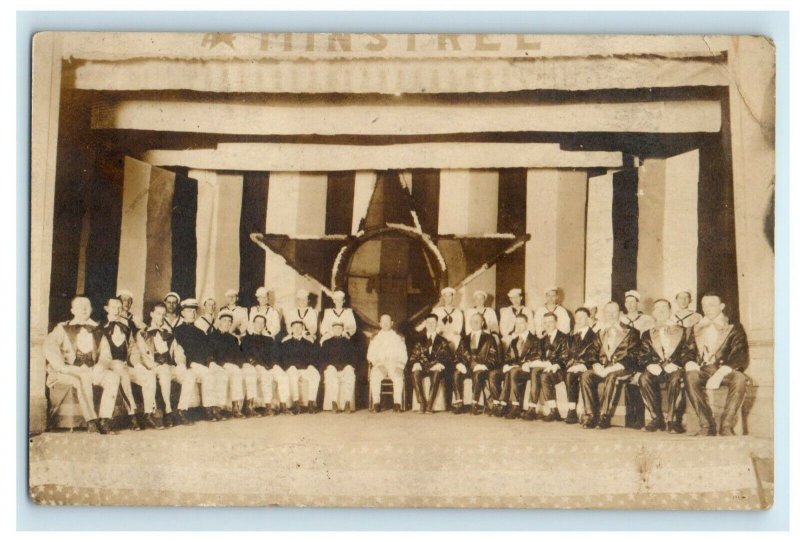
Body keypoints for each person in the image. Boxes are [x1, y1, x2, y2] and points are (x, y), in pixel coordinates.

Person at [43, 296, 120, 434]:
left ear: (91, 309)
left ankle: (104, 419)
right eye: (79, 306)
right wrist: (61, 366)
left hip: (93, 368)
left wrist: (101, 366)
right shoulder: (63, 328)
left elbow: (106, 353)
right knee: (83, 378)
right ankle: (91, 420)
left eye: (86, 306)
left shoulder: (97, 329)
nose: (83, 309)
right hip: (71, 368)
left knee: (113, 377)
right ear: (72, 310)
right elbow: (49, 347)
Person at [685, 292, 749, 436]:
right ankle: (706, 425)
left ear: (722, 306)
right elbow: (687, 351)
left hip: (723, 370)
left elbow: (740, 354)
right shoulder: (695, 327)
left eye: (711, 305)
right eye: (703, 305)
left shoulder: (734, 327)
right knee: (690, 376)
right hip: (703, 369)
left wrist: (720, 373)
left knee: (739, 378)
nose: (707, 309)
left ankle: (726, 425)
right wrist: (689, 362)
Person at [99, 297, 157, 431]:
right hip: (108, 366)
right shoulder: (100, 327)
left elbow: (132, 349)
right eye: (113, 307)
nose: (117, 310)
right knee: (121, 371)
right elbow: (99, 353)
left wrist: (137, 364)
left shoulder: (126, 328)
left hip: (125, 365)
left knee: (148, 375)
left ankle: (148, 414)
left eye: (119, 307)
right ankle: (133, 416)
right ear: (106, 308)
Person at [638, 299, 696, 433]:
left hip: (675, 367)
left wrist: (677, 363)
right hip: (657, 369)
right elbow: (642, 355)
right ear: (653, 313)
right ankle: (656, 418)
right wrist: (650, 364)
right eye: (657, 309)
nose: (661, 311)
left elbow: (689, 352)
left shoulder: (683, 330)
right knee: (643, 378)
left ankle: (673, 420)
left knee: (676, 378)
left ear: (670, 311)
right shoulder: (647, 333)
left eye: (664, 308)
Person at [580, 301, 640, 429]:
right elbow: (591, 353)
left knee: (611, 375)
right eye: (608, 312)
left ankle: (604, 415)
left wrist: (611, 368)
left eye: (614, 312)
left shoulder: (631, 332)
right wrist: (596, 365)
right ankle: (590, 415)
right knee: (586, 375)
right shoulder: (600, 332)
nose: (611, 315)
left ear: (620, 313)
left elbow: (633, 356)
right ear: (604, 314)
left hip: (622, 368)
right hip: (603, 368)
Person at [136, 302, 195, 428]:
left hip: (169, 366)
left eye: (163, 315)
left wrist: (180, 363)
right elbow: (142, 355)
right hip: (154, 368)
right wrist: (153, 365)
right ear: (151, 314)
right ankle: (168, 412)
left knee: (189, 375)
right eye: (158, 314)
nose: (161, 317)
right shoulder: (143, 333)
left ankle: (181, 410)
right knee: (164, 372)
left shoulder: (168, 333)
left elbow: (178, 351)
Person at [173, 298, 227, 422]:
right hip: (188, 364)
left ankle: (216, 408)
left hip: (201, 364)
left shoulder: (200, 332)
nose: (192, 314)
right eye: (189, 311)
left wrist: (210, 361)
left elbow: (207, 349)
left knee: (219, 372)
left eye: (194, 311)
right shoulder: (177, 331)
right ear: (182, 313)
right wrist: (189, 363)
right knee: (207, 374)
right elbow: (178, 351)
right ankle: (190, 410)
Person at [240, 314, 289, 414]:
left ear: (264, 325)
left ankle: (283, 406)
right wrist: (256, 364)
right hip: (256, 365)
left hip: (269, 365)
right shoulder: (246, 339)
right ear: (253, 324)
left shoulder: (269, 340)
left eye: (262, 323)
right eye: (257, 322)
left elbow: (275, 355)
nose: (259, 325)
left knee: (283, 376)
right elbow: (245, 355)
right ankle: (267, 406)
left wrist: (275, 364)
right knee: (266, 376)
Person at [453, 312, 500, 415]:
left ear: (482, 323)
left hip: (482, 369)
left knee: (478, 374)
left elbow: (494, 357)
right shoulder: (464, 338)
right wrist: (459, 364)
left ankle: (474, 403)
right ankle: (459, 403)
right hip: (467, 368)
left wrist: (484, 366)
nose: (475, 323)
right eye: (472, 321)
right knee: (456, 373)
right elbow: (457, 355)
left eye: (477, 321)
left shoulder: (489, 338)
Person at [525, 312, 569, 421]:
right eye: (545, 323)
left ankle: (552, 410)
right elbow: (537, 355)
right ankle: (533, 408)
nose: (548, 325)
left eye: (550, 322)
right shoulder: (542, 339)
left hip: (560, 370)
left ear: (556, 322)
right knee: (535, 371)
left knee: (544, 375)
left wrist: (554, 364)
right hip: (546, 369)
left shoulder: (564, 337)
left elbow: (565, 357)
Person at [209, 310, 253, 417]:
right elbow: (210, 353)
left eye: (230, 321)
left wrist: (243, 364)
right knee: (236, 371)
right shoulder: (211, 336)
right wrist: (220, 363)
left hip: (232, 365)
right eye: (225, 321)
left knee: (249, 370)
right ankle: (227, 407)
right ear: (219, 322)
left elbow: (239, 354)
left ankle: (246, 405)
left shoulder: (232, 338)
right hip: (219, 364)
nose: (227, 323)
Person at [496, 313, 538, 419]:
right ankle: (506, 404)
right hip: (516, 370)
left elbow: (535, 356)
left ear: (527, 324)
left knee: (513, 371)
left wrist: (518, 365)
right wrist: (508, 364)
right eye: (516, 324)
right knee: (509, 371)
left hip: (529, 370)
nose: (518, 326)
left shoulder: (534, 339)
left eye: (521, 323)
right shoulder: (514, 341)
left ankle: (514, 406)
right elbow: (508, 357)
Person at [409, 313, 452, 414]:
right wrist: (416, 362)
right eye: (429, 323)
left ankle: (429, 405)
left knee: (437, 374)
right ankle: (422, 403)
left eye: (433, 322)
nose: (431, 325)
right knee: (415, 373)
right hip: (423, 367)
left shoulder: (442, 341)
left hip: (435, 367)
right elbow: (413, 355)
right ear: (425, 324)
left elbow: (447, 357)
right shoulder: (418, 339)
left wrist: (439, 364)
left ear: (437, 324)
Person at [563, 307, 598, 424]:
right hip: (574, 365)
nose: (579, 320)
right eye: (577, 317)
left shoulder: (594, 335)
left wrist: (582, 365)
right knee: (569, 374)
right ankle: (572, 410)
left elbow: (594, 354)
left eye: (582, 317)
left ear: (588, 318)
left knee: (572, 374)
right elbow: (568, 354)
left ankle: (581, 412)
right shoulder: (572, 336)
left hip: (588, 365)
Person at [278, 320, 321, 414]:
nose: (297, 329)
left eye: (299, 327)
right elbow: (283, 359)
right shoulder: (285, 343)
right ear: (291, 329)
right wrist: (290, 366)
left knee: (315, 374)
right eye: (295, 327)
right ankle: (296, 404)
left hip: (305, 368)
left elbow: (313, 358)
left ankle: (310, 404)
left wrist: (310, 366)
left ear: (303, 329)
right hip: (292, 368)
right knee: (292, 374)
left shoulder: (308, 343)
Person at [367, 314, 408, 412]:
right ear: (380, 324)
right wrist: (379, 365)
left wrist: (400, 366)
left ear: (392, 323)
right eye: (383, 321)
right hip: (379, 365)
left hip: (394, 364)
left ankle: (397, 403)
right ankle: (376, 403)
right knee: (375, 376)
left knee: (398, 377)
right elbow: (370, 354)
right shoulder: (375, 338)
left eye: (388, 321)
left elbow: (403, 353)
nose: (385, 323)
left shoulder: (398, 338)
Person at [320, 321, 359, 413]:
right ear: (332, 330)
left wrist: (350, 366)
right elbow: (322, 358)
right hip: (332, 366)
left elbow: (354, 358)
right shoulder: (326, 343)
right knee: (330, 372)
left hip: (345, 367)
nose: (337, 330)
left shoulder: (349, 343)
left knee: (350, 373)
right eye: (335, 328)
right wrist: (327, 366)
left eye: (339, 328)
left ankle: (347, 402)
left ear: (343, 330)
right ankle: (334, 403)